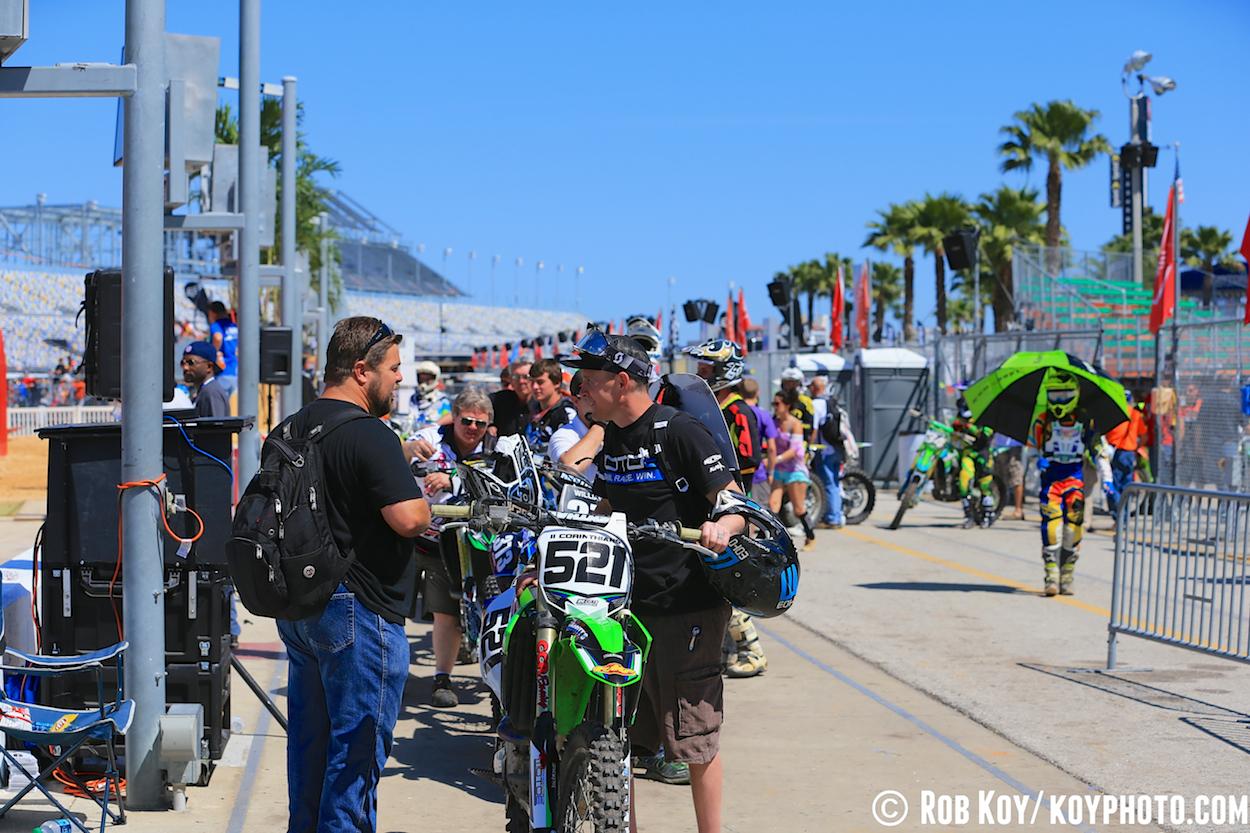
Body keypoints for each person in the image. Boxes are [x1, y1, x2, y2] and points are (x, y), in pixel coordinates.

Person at [558, 331, 745, 833]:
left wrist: (722, 527)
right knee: (621, 737)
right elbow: (609, 503)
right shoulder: (614, 437)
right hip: (627, 607)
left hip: (687, 603)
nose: (581, 390)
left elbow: (734, 503)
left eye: (589, 381)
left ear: (621, 382)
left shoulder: (679, 430)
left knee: (693, 735)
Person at [277, 316, 431, 833]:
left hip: (302, 608)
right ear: (362, 370)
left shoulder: (291, 428)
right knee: (355, 761)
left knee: (310, 751)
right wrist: (425, 504)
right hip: (359, 612)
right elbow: (409, 518)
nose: (401, 377)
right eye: (394, 368)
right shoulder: (369, 433)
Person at [685, 340, 769, 681]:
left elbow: (748, 458)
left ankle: (751, 649)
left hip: (734, 503)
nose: (700, 375)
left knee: (728, 580)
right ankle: (723, 648)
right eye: (699, 369)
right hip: (708, 502)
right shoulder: (701, 407)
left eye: (706, 370)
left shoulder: (737, 411)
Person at [407, 389, 495, 708]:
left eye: (480, 424)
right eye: (467, 421)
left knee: (452, 613)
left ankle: (446, 679)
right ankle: (389, 673)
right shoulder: (432, 437)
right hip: (415, 535)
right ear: (454, 416)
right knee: (394, 609)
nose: (473, 428)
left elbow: (494, 484)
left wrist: (452, 480)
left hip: (460, 543)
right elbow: (399, 453)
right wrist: (408, 448)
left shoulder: (494, 448)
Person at [1029, 372, 1096, 597]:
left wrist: (1104, 471)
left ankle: (1068, 574)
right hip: (1051, 480)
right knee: (1051, 527)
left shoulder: (1085, 420)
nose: (1059, 401)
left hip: (1075, 479)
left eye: (1064, 395)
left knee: (1073, 526)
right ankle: (1051, 575)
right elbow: (1033, 446)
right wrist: (1037, 457)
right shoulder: (1043, 420)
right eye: (1054, 395)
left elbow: (1097, 446)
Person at [771, 388, 816, 549]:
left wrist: (776, 459)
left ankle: (810, 537)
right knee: (773, 506)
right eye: (773, 403)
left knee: (798, 509)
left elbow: (795, 450)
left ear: (787, 405)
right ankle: (772, 541)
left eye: (777, 403)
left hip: (795, 470)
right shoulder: (774, 422)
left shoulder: (795, 424)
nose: (775, 407)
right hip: (779, 470)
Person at [951, 396, 996, 529]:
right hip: (967, 452)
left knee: (985, 484)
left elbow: (986, 436)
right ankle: (968, 515)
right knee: (964, 481)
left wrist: (970, 427)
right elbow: (954, 433)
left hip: (983, 453)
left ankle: (988, 514)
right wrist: (956, 429)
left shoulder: (986, 416)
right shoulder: (960, 417)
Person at [816, 389, 857, 529]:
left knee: (829, 485)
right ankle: (837, 515)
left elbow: (815, 428)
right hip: (837, 449)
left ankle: (833, 518)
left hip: (825, 452)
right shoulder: (834, 406)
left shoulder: (818, 404)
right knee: (834, 483)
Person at [547, 371, 596, 477]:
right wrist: (600, 426)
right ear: (575, 401)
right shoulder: (563, 436)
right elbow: (568, 468)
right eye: (588, 397)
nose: (596, 401)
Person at [740, 378, 779, 507]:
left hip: (737, 472)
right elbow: (772, 448)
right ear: (758, 392)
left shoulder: (734, 411)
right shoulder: (763, 415)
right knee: (759, 511)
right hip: (757, 472)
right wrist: (771, 472)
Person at [525, 358, 578, 453]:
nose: (534, 387)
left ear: (557, 383)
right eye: (532, 382)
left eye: (540, 382)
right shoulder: (532, 408)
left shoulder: (566, 412)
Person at [180, 341, 230, 418]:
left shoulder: (211, 392)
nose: (185, 367)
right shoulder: (204, 390)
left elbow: (216, 424)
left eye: (191, 363)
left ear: (209, 366)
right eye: (183, 363)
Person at [489, 360, 531, 437]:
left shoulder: (542, 403)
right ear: (511, 380)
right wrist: (489, 426)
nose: (521, 381)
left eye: (526, 377)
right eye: (516, 377)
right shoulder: (499, 400)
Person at [207, 300, 238, 399]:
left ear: (212, 313)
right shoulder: (234, 326)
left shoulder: (217, 325)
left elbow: (218, 337)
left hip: (222, 371)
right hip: (235, 372)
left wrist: (213, 353)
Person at [992, 433, 1026, 521]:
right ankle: (997, 507)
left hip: (1014, 445)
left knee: (1016, 477)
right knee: (998, 478)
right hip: (998, 446)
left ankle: (1018, 510)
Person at [779, 367, 815, 439]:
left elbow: (810, 424)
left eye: (794, 383)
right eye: (787, 383)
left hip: (801, 439)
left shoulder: (805, 401)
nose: (790, 387)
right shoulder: (780, 399)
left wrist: (795, 425)